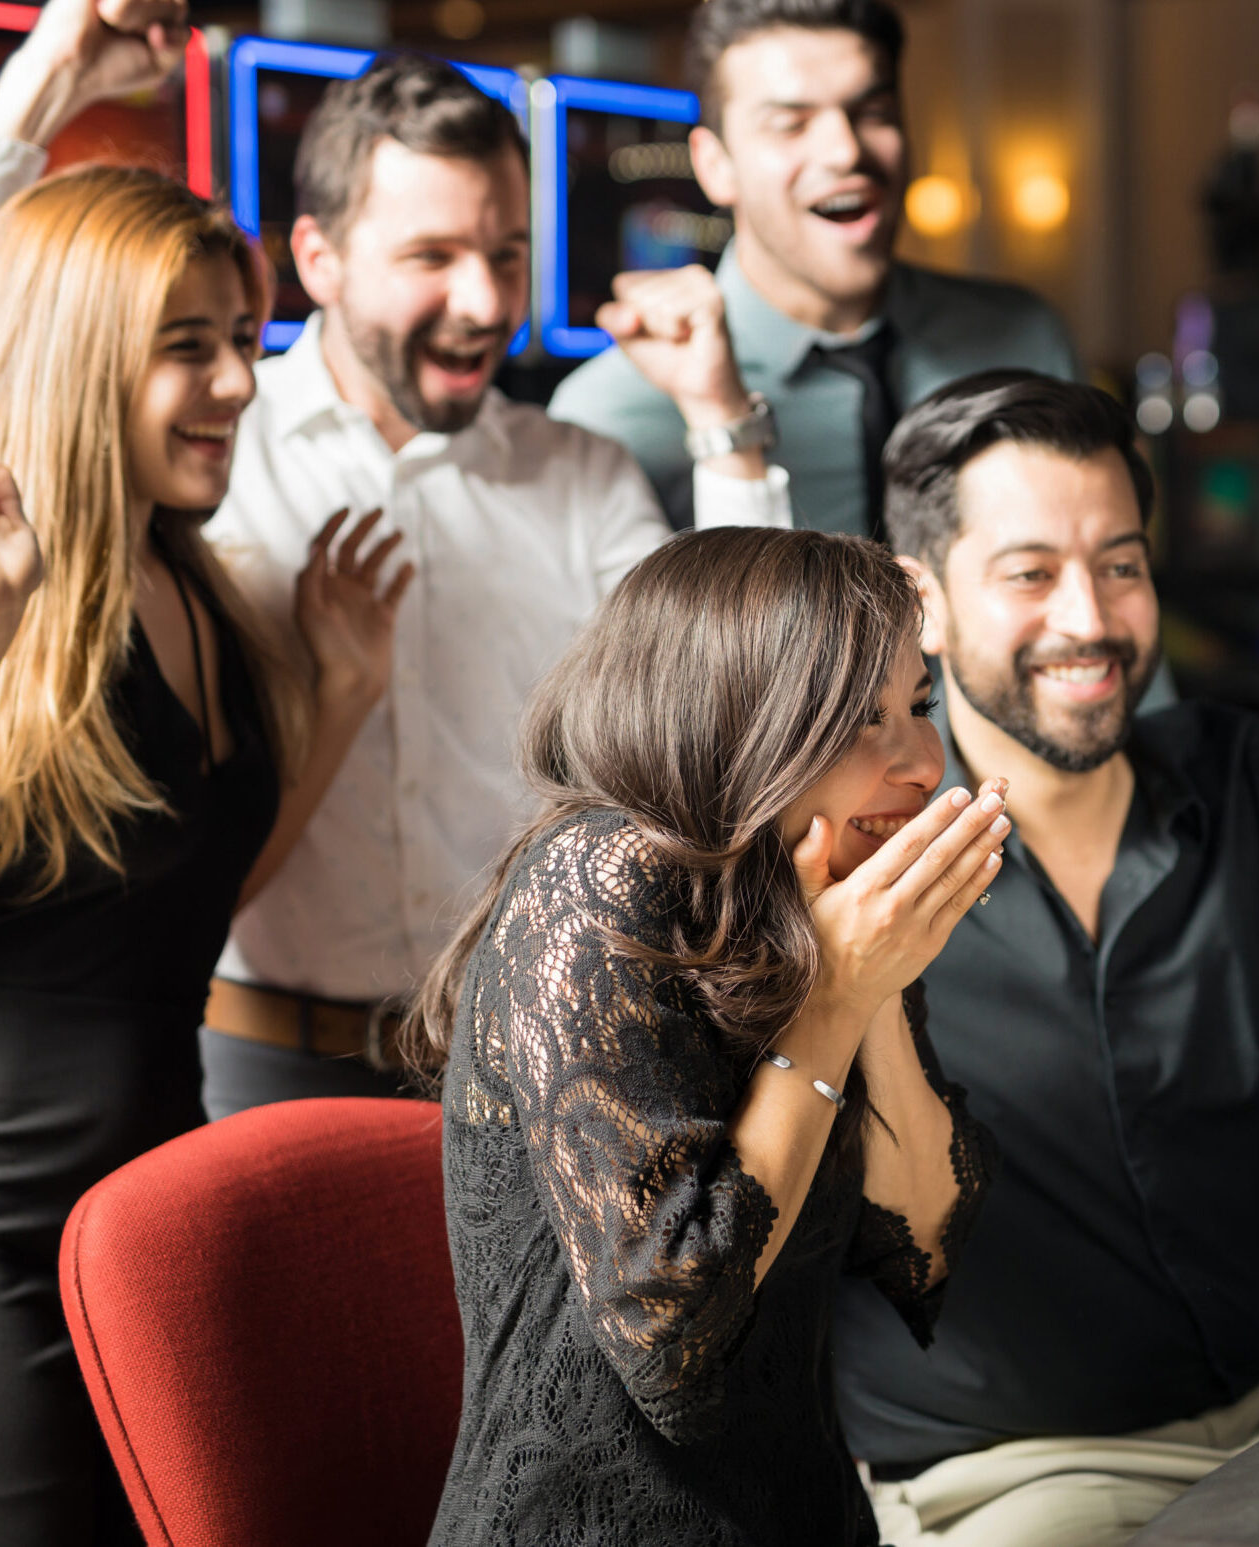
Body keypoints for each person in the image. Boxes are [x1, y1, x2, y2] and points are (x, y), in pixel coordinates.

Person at [0, 0, 791, 1120]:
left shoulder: (579, 475)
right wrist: (45, 81)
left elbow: (739, 721)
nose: (485, 302)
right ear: (318, 262)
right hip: (256, 1065)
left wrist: (723, 429)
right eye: (431, 257)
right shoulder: (201, 438)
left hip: (533, 1064)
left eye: (505, 254)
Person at [0, 167, 405, 1545]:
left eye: (240, 337)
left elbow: (194, 902)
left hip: (138, 1240)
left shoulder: (195, 581)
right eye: (188, 345)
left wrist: (346, 698)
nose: (237, 381)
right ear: (75, 354)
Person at [839, 372, 1259, 1547]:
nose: (1089, 618)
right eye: (1030, 573)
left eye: (1119, 564)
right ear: (923, 602)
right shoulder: (849, 857)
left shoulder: (1240, 779)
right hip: (1019, 1479)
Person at [409, 528, 1000, 1547]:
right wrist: (832, 1006)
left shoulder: (821, 902)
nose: (918, 761)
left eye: (918, 706)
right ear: (739, 719)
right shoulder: (591, 880)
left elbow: (921, 1250)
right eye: (860, 719)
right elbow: (668, 1337)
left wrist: (875, 990)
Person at [549, 0, 1079, 536]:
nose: (846, 151)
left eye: (874, 113)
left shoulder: (1025, 341)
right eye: (791, 124)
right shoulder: (610, 416)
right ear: (715, 165)